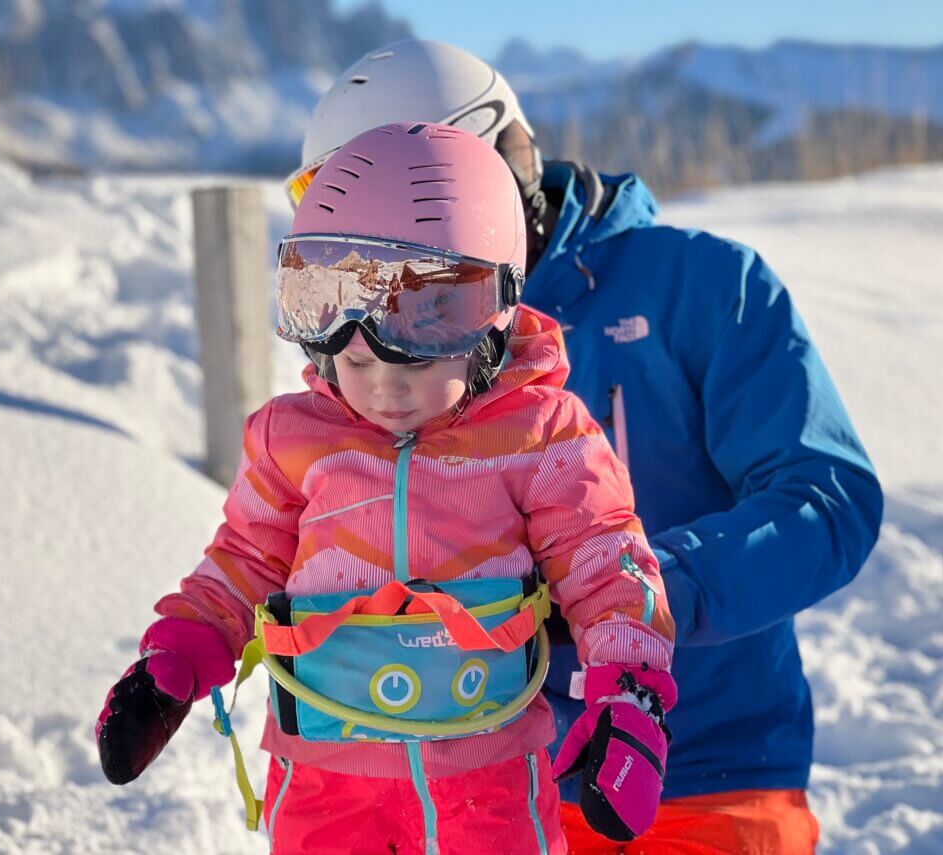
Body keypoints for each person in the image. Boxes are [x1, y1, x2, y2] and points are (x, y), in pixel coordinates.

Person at [284, 40, 884, 854]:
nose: (381, 268)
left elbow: (827, 499)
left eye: (401, 219)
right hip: (479, 786)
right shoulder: (386, 350)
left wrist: (632, 595)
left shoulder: (703, 287)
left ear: (490, 172)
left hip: (703, 778)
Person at [96, 122, 679, 855]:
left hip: (485, 778)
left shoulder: (538, 431)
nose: (383, 394)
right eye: (360, 367)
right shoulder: (294, 438)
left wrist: (630, 692)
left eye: (413, 364)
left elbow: (606, 561)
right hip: (322, 782)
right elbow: (244, 561)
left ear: (490, 323)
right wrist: (177, 654)